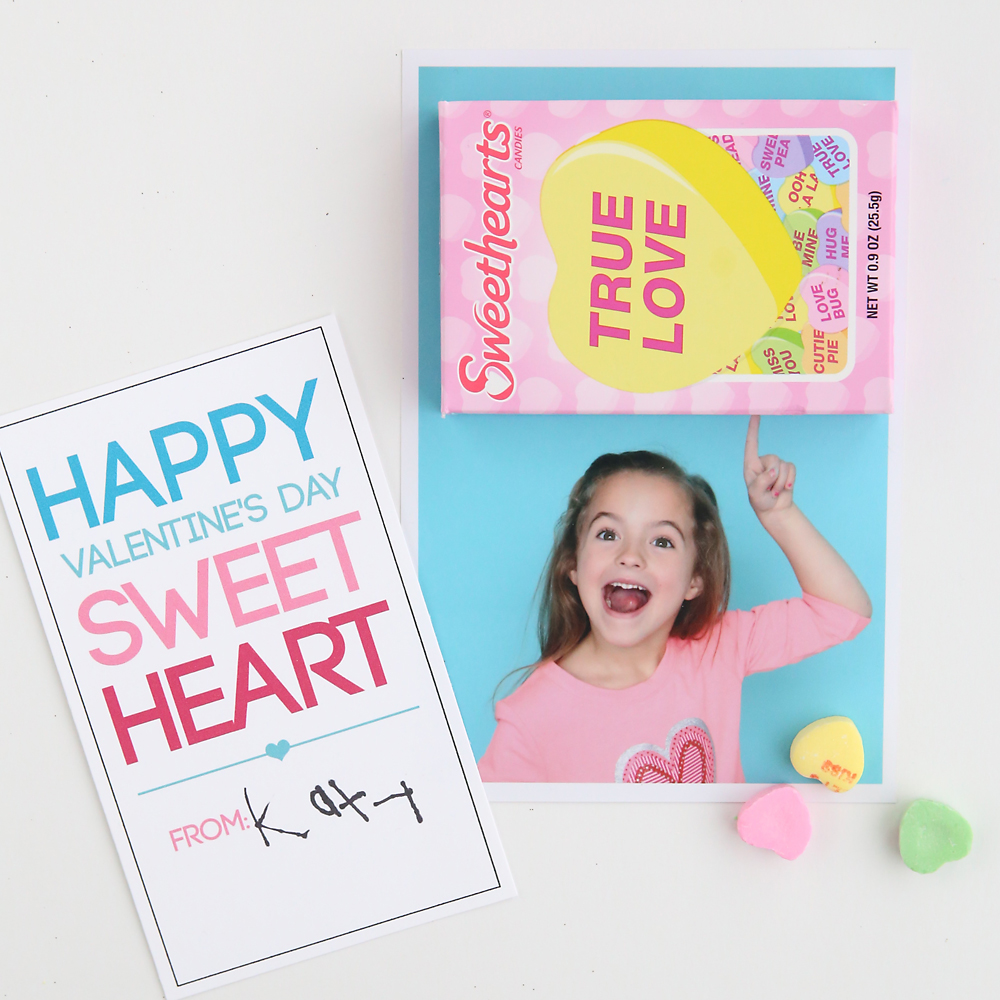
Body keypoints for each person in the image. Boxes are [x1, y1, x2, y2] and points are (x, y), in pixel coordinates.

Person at [477, 416, 872, 783]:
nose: (630, 554)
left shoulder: (720, 649)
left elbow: (843, 611)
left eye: (662, 541)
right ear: (573, 566)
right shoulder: (531, 716)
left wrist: (779, 514)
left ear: (694, 581)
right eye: (608, 534)